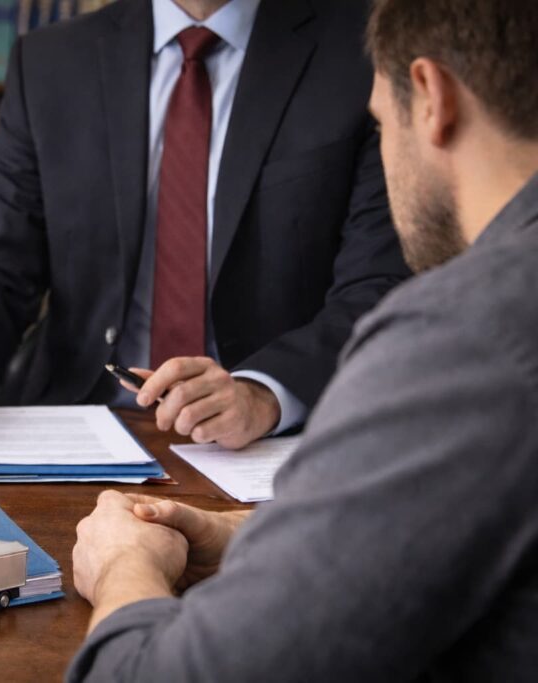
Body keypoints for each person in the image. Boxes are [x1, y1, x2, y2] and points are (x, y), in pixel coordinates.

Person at [68, 0, 538, 679]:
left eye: (379, 122)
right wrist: (262, 536)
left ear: (431, 99)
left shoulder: (466, 337)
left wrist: (122, 563)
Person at [0, 0, 408, 448]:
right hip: (73, 422)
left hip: (267, 443)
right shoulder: (53, 62)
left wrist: (263, 394)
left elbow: (378, 288)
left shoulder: (367, 51)